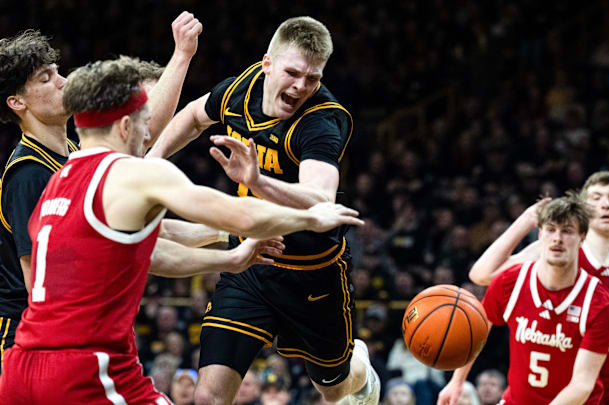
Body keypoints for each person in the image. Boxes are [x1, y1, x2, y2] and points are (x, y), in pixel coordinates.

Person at [0, 56, 363, 404]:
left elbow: (152, 249)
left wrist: (230, 254)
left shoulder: (59, 177)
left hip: (20, 366)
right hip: (84, 366)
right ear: (126, 126)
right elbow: (239, 214)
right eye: (146, 122)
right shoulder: (129, 173)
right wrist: (310, 217)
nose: (152, 137)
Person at [148, 16, 380, 405]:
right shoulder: (244, 87)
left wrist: (258, 181)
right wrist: (149, 161)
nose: (301, 86)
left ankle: (362, 366)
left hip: (312, 274)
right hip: (250, 264)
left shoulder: (323, 119)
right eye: (293, 73)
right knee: (208, 398)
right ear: (267, 63)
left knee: (334, 388)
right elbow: (192, 115)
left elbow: (321, 200)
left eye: (312, 78)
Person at [0, 11, 203, 374]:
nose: (62, 83)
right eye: (46, 79)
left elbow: (143, 129)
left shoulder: (76, 155)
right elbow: (40, 284)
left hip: (68, 338)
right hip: (26, 341)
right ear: (18, 102)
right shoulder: (28, 174)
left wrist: (226, 238)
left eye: (58, 72)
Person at [454, 162, 609, 404]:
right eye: (596, 198)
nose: (605, 204)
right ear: (583, 210)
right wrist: (525, 221)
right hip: (560, 387)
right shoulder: (558, 249)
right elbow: (482, 274)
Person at [439, 194, 609, 405]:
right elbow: (477, 333)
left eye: (567, 231)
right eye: (551, 229)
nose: (557, 238)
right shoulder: (510, 282)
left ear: (582, 237)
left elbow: (582, 384)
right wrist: (456, 381)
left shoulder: (600, 303)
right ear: (540, 234)